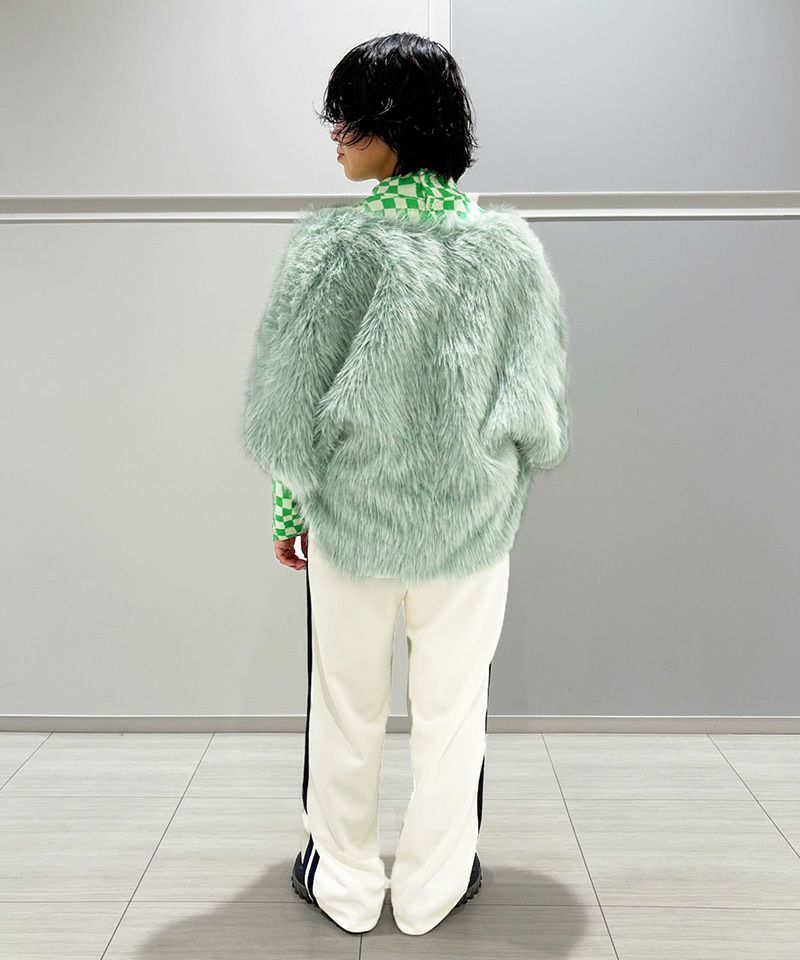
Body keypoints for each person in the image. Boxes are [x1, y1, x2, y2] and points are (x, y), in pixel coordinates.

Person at [240, 32, 571, 937]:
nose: (334, 136)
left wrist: (288, 510)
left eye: (348, 118)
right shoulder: (509, 250)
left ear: (394, 125)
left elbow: (289, 409)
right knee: (454, 712)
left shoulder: (330, 248)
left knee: (345, 706)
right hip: (469, 530)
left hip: (352, 523)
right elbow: (535, 414)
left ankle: (345, 883)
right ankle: (433, 886)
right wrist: (489, 490)